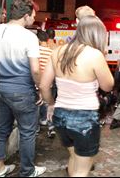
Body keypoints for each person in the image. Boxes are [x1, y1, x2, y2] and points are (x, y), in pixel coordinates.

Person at [39, 15, 114, 177]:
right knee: (82, 170)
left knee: (74, 156)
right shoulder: (95, 55)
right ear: (97, 34)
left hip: (60, 116)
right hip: (84, 119)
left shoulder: (58, 51)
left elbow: (44, 86)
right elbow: (108, 86)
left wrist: (51, 104)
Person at [0, 0, 46, 177]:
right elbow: (35, 69)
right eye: (33, 15)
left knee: (1, 130)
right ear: (25, 15)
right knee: (28, 132)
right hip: (22, 91)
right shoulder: (29, 37)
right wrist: (40, 88)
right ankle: (27, 171)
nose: (34, 19)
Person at [37, 30, 56, 138]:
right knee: (50, 105)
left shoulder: (35, 51)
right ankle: (51, 128)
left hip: (37, 82)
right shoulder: (51, 52)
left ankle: (37, 128)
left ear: (38, 40)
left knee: (37, 105)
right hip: (49, 82)